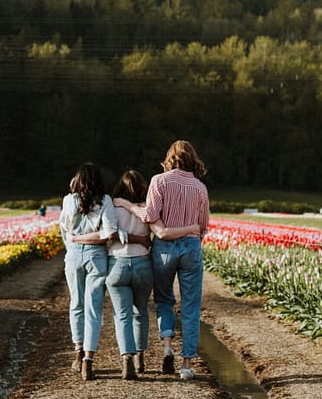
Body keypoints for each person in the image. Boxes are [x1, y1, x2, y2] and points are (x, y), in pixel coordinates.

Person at [117, 140, 209, 380]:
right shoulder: (200, 187)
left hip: (164, 248)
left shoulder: (159, 180)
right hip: (190, 246)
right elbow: (203, 226)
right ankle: (187, 364)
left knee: (165, 299)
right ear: (193, 159)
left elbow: (149, 215)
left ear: (169, 159)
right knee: (190, 306)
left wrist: (126, 205)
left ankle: (167, 345)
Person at [58, 163, 120, 381]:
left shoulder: (68, 200)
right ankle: (88, 361)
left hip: (74, 254)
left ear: (78, 181)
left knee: (76, 304)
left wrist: (76, 240)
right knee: (93, 308)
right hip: (97, 255)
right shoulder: (105, 201)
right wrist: (90, 238)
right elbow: (109, 233)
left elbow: (65, 229)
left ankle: (78, 350)